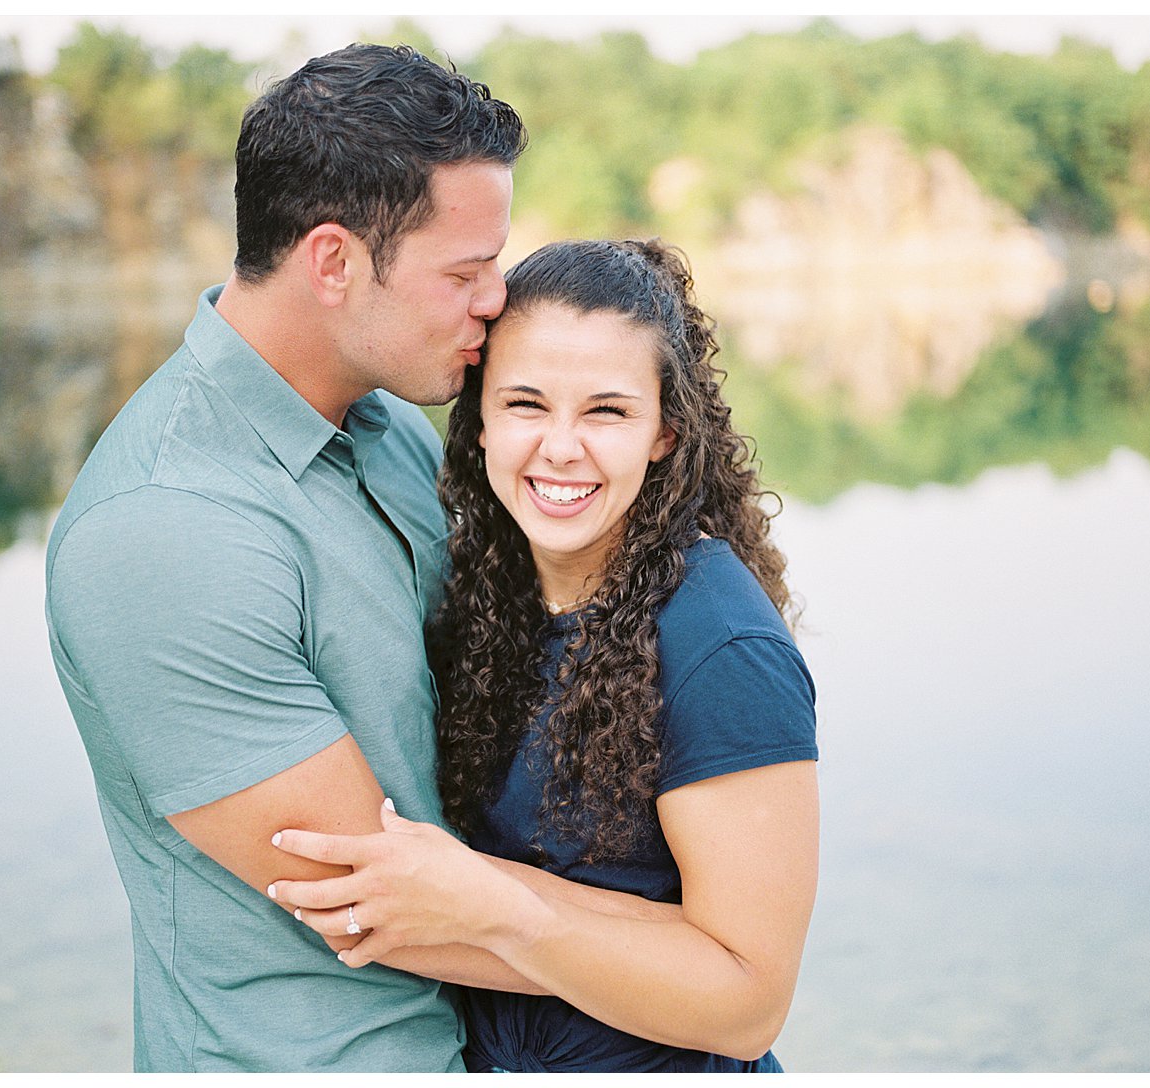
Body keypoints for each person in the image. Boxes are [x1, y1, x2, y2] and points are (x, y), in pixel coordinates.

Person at [46, 45, 678, 1073]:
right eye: (466, 273)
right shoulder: (166, 529)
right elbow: (382, 898)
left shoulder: (384, 423)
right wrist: (703, 951)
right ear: (334, 261)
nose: (496, 302)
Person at [267, 238, 820, 1072]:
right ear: (480, 420)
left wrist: (499, 909)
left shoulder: (721, 645)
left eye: (606, 411)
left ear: (665, 432)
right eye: (526, 403)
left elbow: (750, 1005)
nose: (562, 448)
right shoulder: (483, 594)